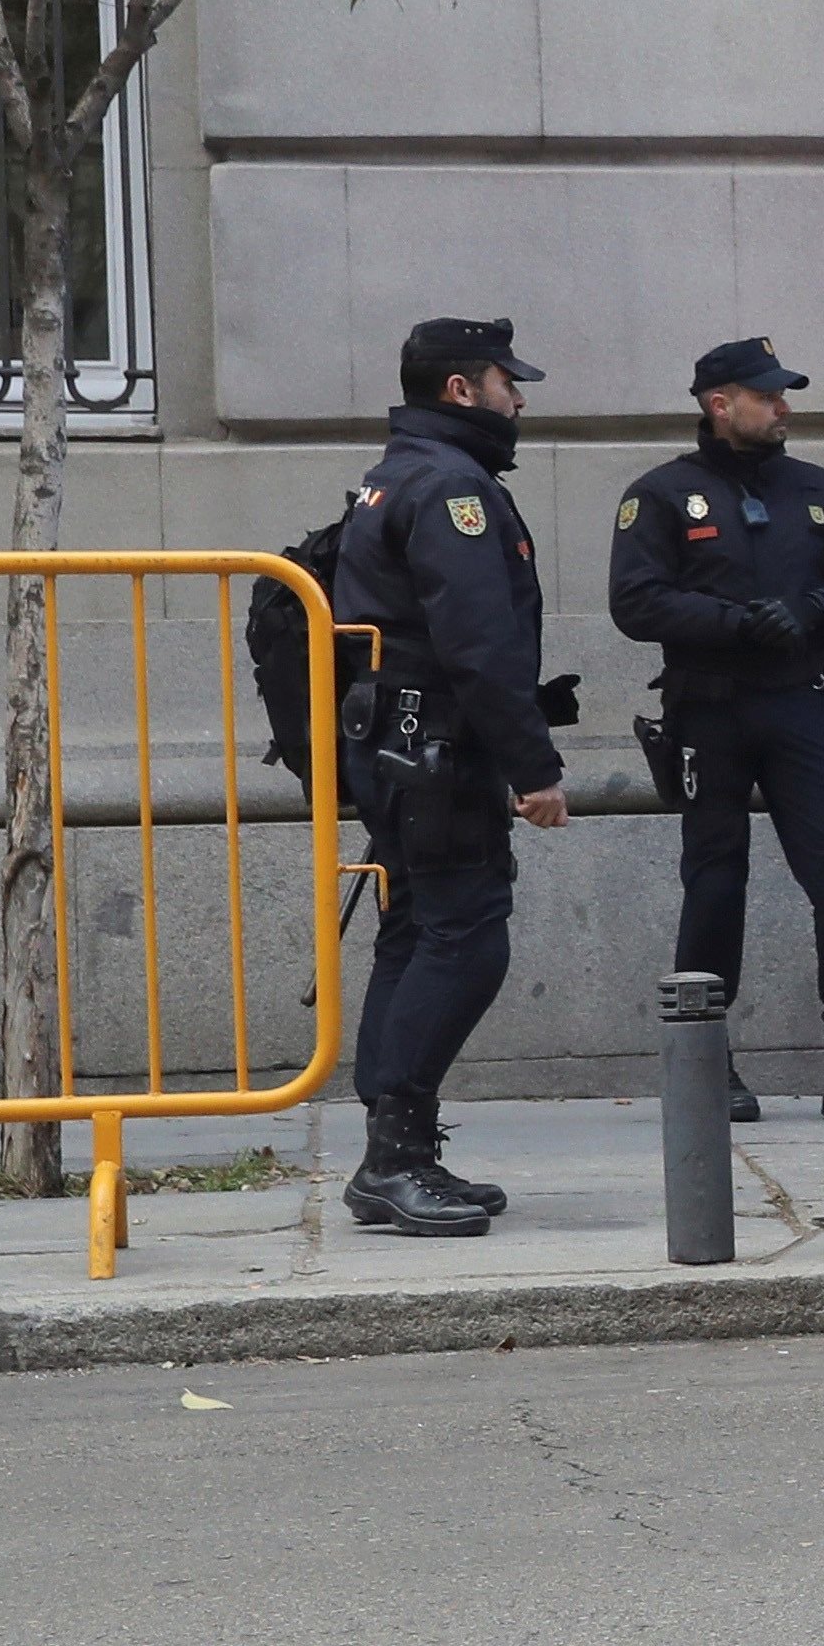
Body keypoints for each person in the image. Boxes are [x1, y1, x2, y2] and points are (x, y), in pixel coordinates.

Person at [607, 333, 824, 1125]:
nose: (784, 407)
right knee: (715, 884)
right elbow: (636, 602)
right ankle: (708, 1065)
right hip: (706, 711)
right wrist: (733, 623)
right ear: (722, 405)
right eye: (768, 395)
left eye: (784, 394)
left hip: (796, 707)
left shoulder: (816, 489)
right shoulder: (660, 494)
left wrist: (812, 611)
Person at [331, 318, 574, 1237]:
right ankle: (394, 1157)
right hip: (437, 747)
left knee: (416, 931)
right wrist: (533, 768)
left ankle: (399, 1151)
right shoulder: (450, 488)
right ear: (460, 391)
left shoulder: (399, 473)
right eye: (506, 381)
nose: (520, 397)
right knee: (467, 938)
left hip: (397, 744)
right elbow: (479, 643)